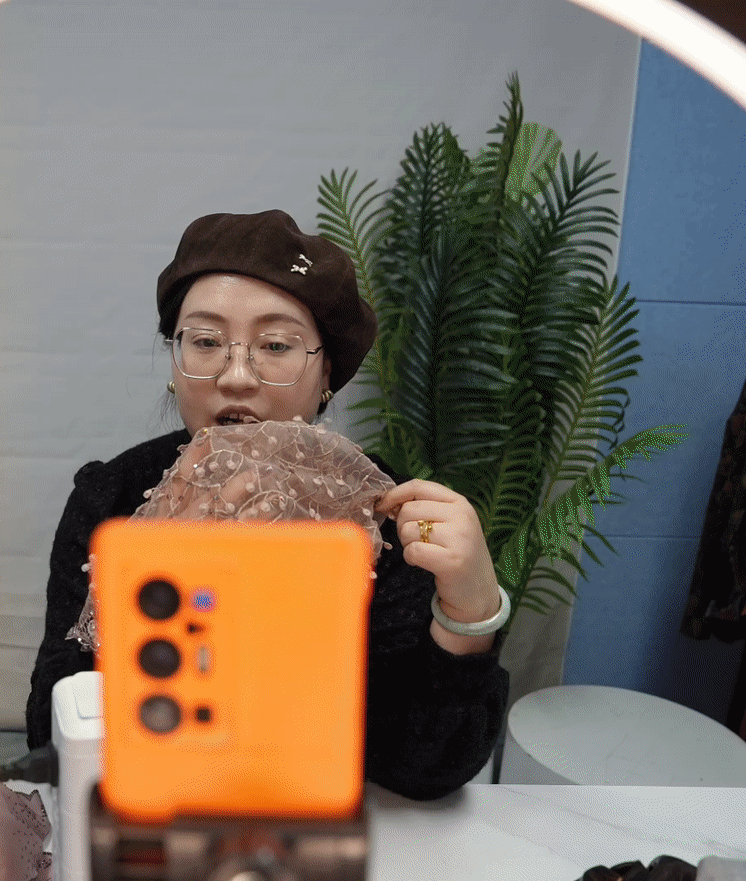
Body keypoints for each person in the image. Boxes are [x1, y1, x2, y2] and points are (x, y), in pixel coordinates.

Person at [25, 209, 510, 801]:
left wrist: (470, 609)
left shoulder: (386, 519)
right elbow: (53, 736)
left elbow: (424, 771)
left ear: (327, 372)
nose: (235, 376)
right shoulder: (112, 501)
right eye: (206, 342)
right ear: (176, 364)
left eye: (275, 345)